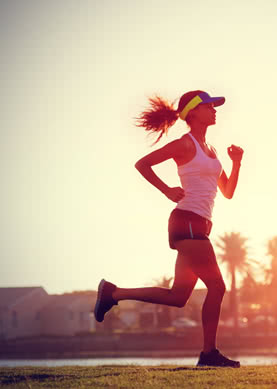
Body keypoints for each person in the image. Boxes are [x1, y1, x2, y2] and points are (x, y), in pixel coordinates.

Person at [93, 90, 243, 368]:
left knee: (178, 297)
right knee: (218, 287)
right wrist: (165, 190)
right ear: (194, 112)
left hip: (199, 226)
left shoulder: (211, 150)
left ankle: (113, 293)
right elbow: (143, 164)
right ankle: (209, 354)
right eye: (210, 106)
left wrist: (237, 163)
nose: (215, 110)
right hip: (187, 222)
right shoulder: (184, 145)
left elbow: (228, 191)